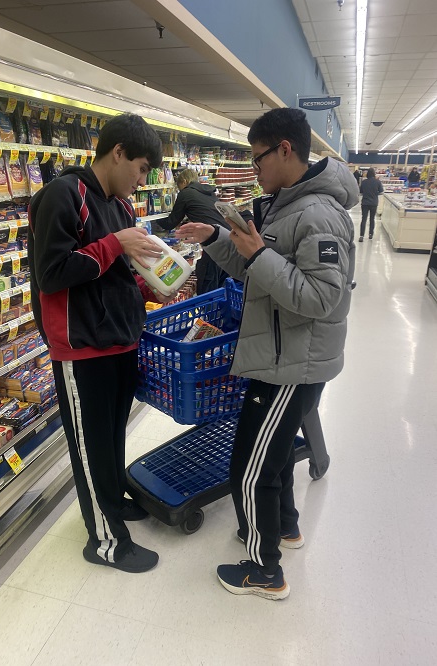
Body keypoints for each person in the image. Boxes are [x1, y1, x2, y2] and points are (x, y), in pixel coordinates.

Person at [177, 107, 357, 600]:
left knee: (250, 468)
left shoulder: (318, 214)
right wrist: (217, 237)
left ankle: (264, 570)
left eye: (257, 157)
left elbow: (319, 299)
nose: (253, 168)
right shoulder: (285, 204)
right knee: (273, 459)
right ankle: (286, 529)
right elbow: (258, 270)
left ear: (284, 149)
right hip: (281, 354)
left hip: (292, 364)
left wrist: (259, 254)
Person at [28, 113, 176, 574]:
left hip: (119, 340)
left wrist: (156, 285)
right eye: (141, 167)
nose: (143, 178)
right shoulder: (63, 195)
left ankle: (112, 502)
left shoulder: (123, 207)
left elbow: (117, 271)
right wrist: (114, 243)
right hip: (82, 345)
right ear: (117, 153)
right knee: (91, 446)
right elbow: (50, 273)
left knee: (112, 438)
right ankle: (106, 541)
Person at [158, 168, 229, 293]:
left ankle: (209, 310)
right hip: (227, 236)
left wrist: (155, 220)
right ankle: (218, 308)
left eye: (179, 187)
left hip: (214, 242)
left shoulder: (186, 193)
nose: (180, 190)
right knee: (221, 281)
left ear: (184, 182)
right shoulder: (208, 192)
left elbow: (171, 222)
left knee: (207, 279)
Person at [359, 167, 383, 242]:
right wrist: (375, 194)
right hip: (374, 203)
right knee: (372, 219)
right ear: (374, 174)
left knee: (364, 219)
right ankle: (370, 234)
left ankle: (361, 236)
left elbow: (360, 192)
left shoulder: (364, 182)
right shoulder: (378, 182)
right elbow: (381, 192)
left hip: (365, 202)